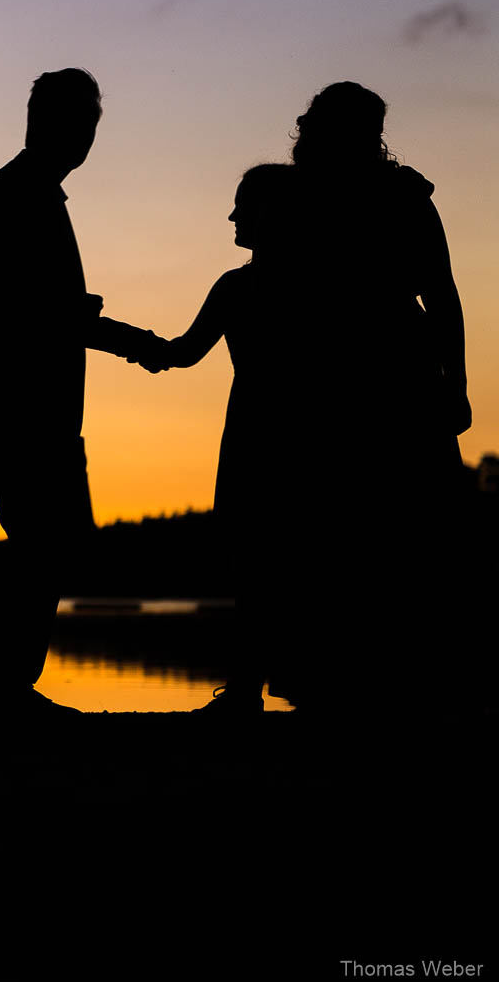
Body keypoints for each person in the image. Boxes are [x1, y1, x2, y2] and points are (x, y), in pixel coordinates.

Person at [0, 68, 165, 716]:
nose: (87, 138)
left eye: (92, 125)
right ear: (46, 122)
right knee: (49, 539)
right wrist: (134, 339)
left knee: (47, 538)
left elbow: (45, 306)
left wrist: (89, 318)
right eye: (81, 123)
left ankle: (0, 680)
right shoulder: (21, 194)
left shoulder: (29, 192)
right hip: (17, 393)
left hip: (25, 394)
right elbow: (41, 310)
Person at [252, 82, 471, 706]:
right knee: (335, 535)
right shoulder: (290, 201)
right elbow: (274, 303)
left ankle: (399, 680)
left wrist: (455, 384)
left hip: (392, 381)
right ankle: (334, 682)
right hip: (326, 383)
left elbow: (443, 296)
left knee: (399, 535)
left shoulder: (402, 199)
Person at [140, 166, 290, 712]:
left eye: (242, 205)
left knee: (254, 559)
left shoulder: (238, 286)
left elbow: (179, 353)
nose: (232, 216)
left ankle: (249, 687)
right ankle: (267, 683)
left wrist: (107, 337)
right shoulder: (322, 287)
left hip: (256, 433)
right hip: (288, 432)